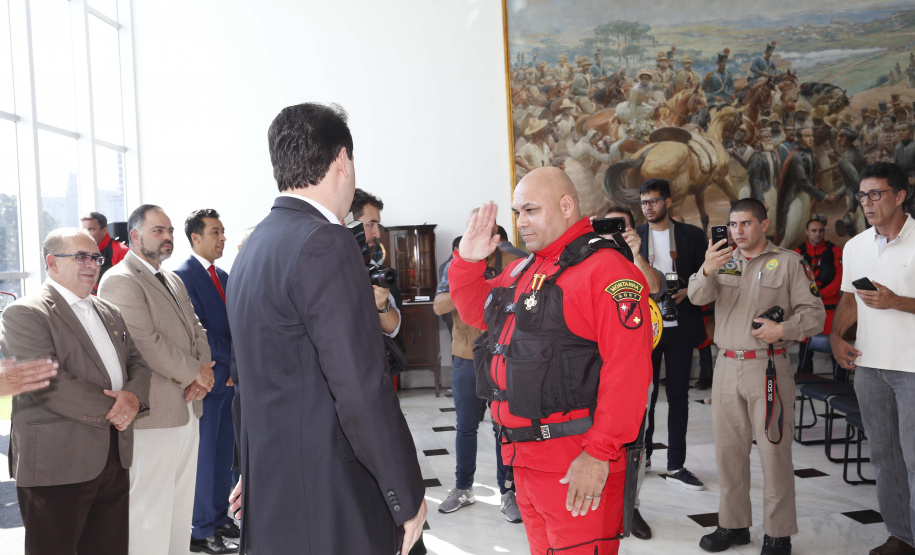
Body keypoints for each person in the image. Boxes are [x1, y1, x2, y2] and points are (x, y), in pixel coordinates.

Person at [225, 103, 426, 554]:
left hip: (273, 491)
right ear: (342, 160)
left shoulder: (252, 247)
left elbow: (247, 382)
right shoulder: (325, 241)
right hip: (330, 494)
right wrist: (405, 492)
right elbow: (358, 385)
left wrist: (248, 469)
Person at [449, 167, 652, 554]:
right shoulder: (527, 268)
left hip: (575, 463)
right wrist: (467, 261)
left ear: (565, 205)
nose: (521, 222)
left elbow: (628, 372)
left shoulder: (606, 270)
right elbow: (478, 310)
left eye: (530, 210)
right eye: (517, 213)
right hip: (525, 460)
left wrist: (597, 456)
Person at [0, 228, 151, 555]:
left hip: (114, 455)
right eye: (80, 256)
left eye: (96, 257)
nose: (92, 264)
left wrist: (134, 397)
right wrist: (117, 408)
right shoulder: (25, 312)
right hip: (57, 461)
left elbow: (137, 361)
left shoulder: (108, 311)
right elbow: (47, 382)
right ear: (52, 262)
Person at [688, 198, 825, 555]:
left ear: (764, 225)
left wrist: (784, 329)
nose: (738, 232)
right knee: (728, 453)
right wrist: (706, 268)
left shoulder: (790, 263)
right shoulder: (724, 261)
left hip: (768, 367)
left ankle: (778, 533)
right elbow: (695, 295)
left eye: (746, 224)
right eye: (733, 225)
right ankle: (733, 526)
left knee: (773, 452)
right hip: (726, 366)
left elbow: (815, 314)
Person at [98, 205, 216, 555]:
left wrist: (203, 374)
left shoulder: (172, 278)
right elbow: (146, 344)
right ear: (134, 237)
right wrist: (197, 373)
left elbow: (197, 329)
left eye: (169, 231)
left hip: (187, 410)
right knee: (150, 515)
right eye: (158, 231)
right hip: (154, 416)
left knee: (179, 514)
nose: (167, 237)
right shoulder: (120, 280)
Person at [830, 162, 915, 555]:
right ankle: (901, 536)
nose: (867, 202)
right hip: (868, 366)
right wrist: (835, 336)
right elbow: (849, 297)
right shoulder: (856, 245)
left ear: (900, 196)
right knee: (884, 456)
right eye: (862, 195)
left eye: (876, 194)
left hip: (912, 368)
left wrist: (897, 302)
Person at [433, 219, 521, 522]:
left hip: (504, 356)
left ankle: (507, 492)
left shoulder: (515, 263)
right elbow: (439, 306)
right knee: (466, 426)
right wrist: (471, 288)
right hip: (466, 355)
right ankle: (463, 488)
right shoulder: (455, 264)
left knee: (504, 427)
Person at [636, 179, 708, 491]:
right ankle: (644, 455)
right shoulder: (635, 237)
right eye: (643, 203)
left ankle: (676, 464)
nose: (648, 207)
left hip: (681, 323)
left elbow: (707, 275)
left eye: (653, 201)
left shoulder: (691, 235)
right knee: (644, 397)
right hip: (645, 328)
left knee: (679, 397)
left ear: (667, 201)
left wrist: (687, 293)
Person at [173, 209, 238, 554]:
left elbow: (238, 324)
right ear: (196, 237)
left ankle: (219, 516)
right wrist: (231, 361)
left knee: (223, 454)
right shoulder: (183, 277)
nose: (222, 237)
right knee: (204, 457)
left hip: (229, 381)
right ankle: (200, 530)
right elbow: (199, 333)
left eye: (223, 231)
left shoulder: (224, 276)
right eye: (215, 232)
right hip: (207, 379)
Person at [602, 204, 657, 541]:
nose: (615, 232)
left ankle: (631, 507)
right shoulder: (586, 259)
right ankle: (604, 507)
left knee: (635, 442)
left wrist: (635, 253)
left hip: (635, 369)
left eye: (621, 227)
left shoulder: (635, 261)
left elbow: (654, 288)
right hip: (594, 370)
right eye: (608, 225)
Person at [350, 188, 403, 334]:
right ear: (348, 223)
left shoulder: (374, 271)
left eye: (377, 225)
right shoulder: (325, 266)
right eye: (370, 224)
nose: (377, 233)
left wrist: (382, 306)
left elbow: (393, 329)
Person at [795, 219, 843, 372]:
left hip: (830, 307)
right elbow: (793, 279)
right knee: (805, 348)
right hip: (807, 308)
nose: (818, 234)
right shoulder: (797, 253)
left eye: (821, 230)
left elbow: (841, 277)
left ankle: (840, 382)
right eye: (814, 230)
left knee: (835, 345)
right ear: (807, 232)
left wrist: (823, 293)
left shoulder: (835, 251)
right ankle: (804, 381)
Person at [81, 211, 129, 293]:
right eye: (84, 229)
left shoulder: (121, 251)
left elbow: (127, 286)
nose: (86, 233)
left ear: (104, 230)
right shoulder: (80, 253)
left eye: (91, 229)